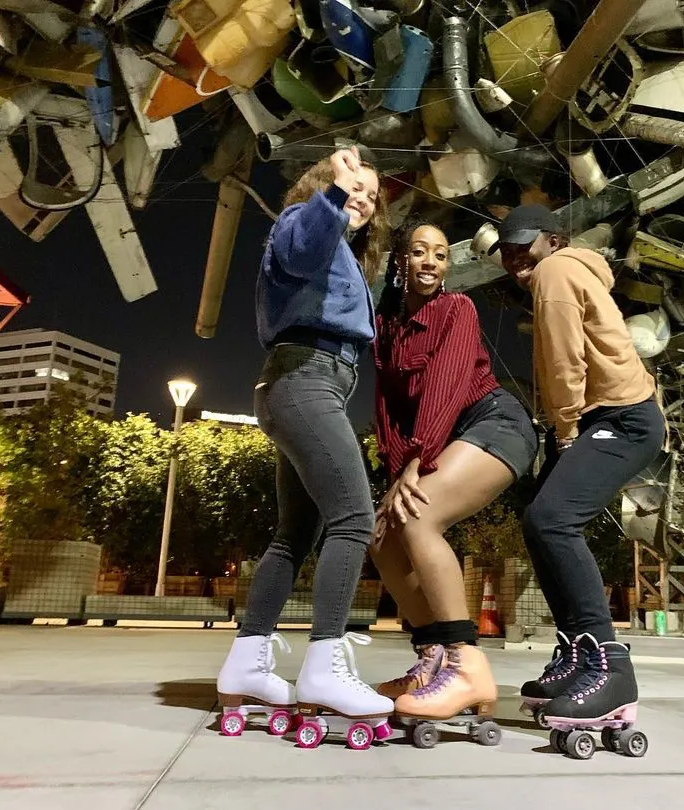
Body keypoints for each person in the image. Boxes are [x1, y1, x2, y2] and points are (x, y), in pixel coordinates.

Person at [216, 148, 395, 729]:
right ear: (326, 183)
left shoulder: (342, 249)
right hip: (304, 380)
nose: (364, 197)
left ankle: (246, 661)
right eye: (354, 185)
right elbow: (299, 250)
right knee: (353, 518)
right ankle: (324, 661)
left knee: (294, 534)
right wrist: (336, 195)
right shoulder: (302, 222)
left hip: (306, 386)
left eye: (371, 191)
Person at [491, 204, 665, 723]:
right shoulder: (566, 270)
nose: (516, 256)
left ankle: (610, 666)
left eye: (526, 243)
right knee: (539, 522)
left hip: (624, 418)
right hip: (607, 417)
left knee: (553, 520)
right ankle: (576, 653)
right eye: (507, 248)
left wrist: (564, 431)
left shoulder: (556, 271)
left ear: (554, 240)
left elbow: (565, 358)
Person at [367, 217, 538, 722]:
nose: (431, 262)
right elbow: (387, 411)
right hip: (439, 438)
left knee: (419, 516)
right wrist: (398, 470)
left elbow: (444, 388)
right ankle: (433, 657)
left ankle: (467, 664)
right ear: (402, 261)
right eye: (420, 252)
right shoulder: (387, 328)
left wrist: (416, 466)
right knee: (380, 537)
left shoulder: (456, 309)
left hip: (494, 423)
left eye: (441, 254)